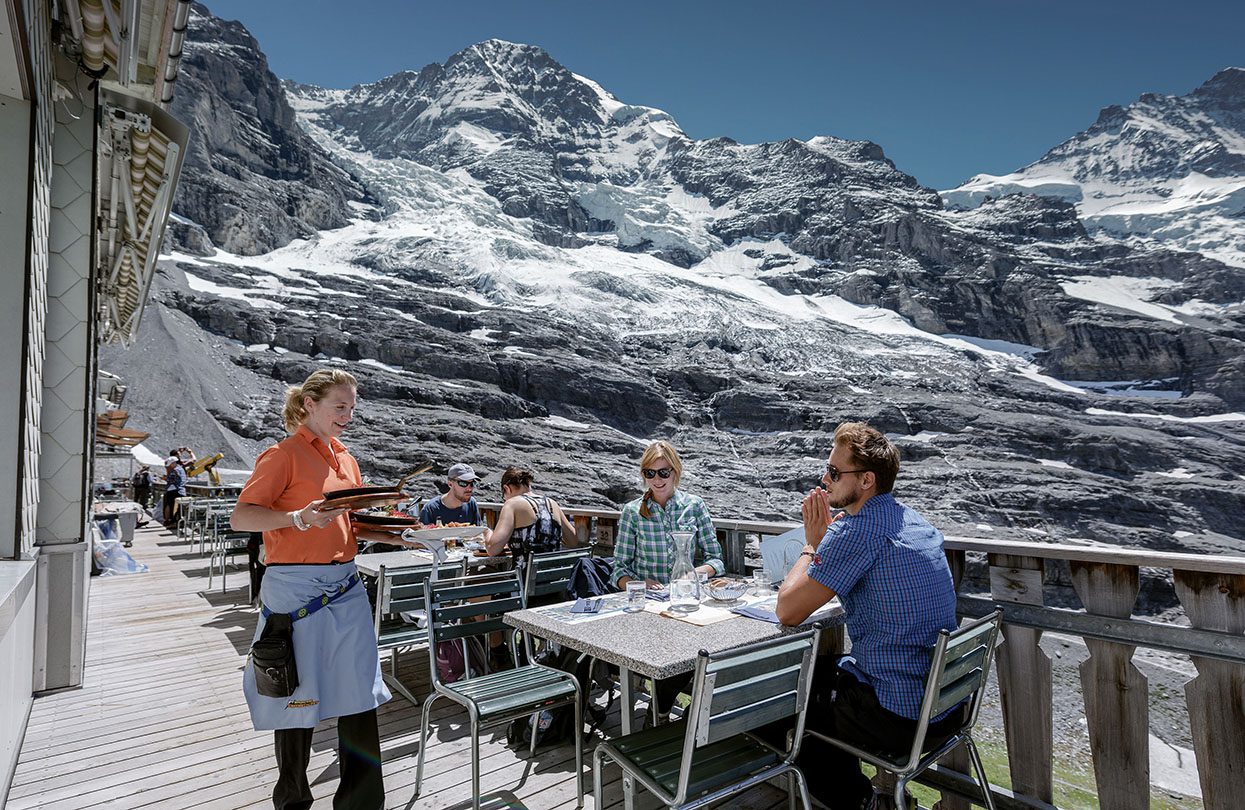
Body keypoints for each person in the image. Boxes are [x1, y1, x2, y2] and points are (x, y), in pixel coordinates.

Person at [774, 422, 961, 810]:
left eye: (834, 473)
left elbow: (788, 611)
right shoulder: (913, 521)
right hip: (946, 707)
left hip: (899, 718)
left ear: (866, 480)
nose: (825, 481)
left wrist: (813, 544)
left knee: (779, 702)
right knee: (822, 678)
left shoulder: (857, 531)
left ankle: (859, 801)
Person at [230, 368, 389, 810]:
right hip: (296, 591)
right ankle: (293, 800)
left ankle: (361, 803)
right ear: (309, 405)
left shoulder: (346, 458)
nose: (348, 415)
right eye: (340, 406)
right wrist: (297, 518)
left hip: (346, 585)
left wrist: (404, 535)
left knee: (360, 692)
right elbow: (242, 517)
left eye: (352, 407)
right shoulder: (282, 455)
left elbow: (350, 520)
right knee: (295, 698)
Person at [612, 440, 724, 719]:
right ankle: (665, 715)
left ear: (676, 472)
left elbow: (716, 560)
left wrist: (693, 574)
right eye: (650, 473)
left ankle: (673, 714)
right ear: (643, 475)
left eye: (664, 472)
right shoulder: (632, 512)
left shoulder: (694, 506)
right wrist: (639, 585)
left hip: (688, 607)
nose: (657, 479)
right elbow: (619, 570)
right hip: (651, 611)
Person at [483, 466, 579, 575]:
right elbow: (573, 542)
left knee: (482, 573)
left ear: (507, 489)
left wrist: (487, 532)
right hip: (553, 582)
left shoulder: (512, 504)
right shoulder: (552, 503)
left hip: (522, 584)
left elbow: (492, 549)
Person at [416, 462, 487, 527]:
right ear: (450, 484)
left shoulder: (471, 503)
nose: (469, 488)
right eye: (463, 483)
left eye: (472, 484)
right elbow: (422, 537)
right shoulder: (431, 508)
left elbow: (477, 532)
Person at [162, 454, 187, 525]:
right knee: (180, 508)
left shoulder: (175, 470)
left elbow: (171, 480)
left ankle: (171, 521)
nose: (170, 466)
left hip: (174, 491)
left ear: (173, 463)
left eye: (171, 464)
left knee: (170, 505)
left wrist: (165, 478)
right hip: (181, 490)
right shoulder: (181, 469)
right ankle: (179, 522)